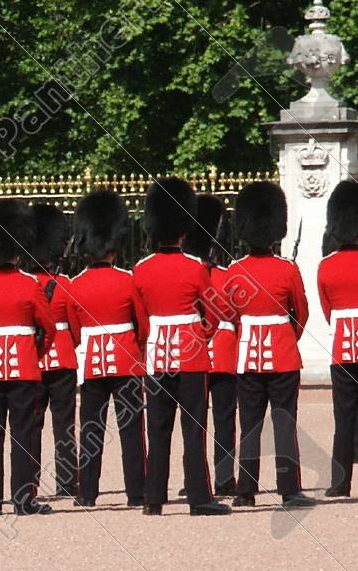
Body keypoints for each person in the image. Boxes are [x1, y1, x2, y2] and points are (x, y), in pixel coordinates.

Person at [133, 177, 229, 516]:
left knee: (157, 431)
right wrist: (200, 337)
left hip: (157, 357)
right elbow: (215, 311)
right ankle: (199, 499)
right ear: (184, 230)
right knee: (194, 429)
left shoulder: (141, 270)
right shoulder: (195, 267)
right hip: (192, 359)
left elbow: (140, 320)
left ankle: (153, 500)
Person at [222, 181, 316, 508]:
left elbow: (230, 314)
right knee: (284, 422)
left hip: (247, 354)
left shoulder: (235, 271)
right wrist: (288, 336)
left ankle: (246, 491)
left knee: (249, 423)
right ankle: (289, 489)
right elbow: (301, 313)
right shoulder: (287, 269)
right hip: (283, 355)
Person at [0, 199, 54, 516]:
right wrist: (34, 353)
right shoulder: (30, 285)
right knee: (23, 437)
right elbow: (48, 327)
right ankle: (23, 499)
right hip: (25, 371)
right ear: (18, 248)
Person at [65, 189, 147, 508]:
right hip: (126, 359)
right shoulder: (128, 280)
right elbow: (142, 324)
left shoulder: (76, 284)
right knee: (131, 431)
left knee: (90, 431)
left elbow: (74, 329)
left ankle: (87, 493)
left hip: (91, 364)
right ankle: (136, 492)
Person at [25, 203, 78, 500]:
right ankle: (67, 482)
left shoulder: (25, 283)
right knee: (64, 426)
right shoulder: (65, 285)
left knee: (31, 424)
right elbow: (76, 325)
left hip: (33, 358)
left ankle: (29, 482)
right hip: (64, 358)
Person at [185, 195, 238, 496]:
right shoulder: (228, 276)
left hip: (193, 352)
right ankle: (222, 478)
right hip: (224, 351)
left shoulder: (188, 274)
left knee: (195, 423)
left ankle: (194, 479)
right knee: (224, 421)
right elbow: (236, 315)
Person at [318, 179, 358, 497]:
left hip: (342, 349)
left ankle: (340, 482)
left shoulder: (326, 267)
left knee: (343, 415)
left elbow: (327, 312)